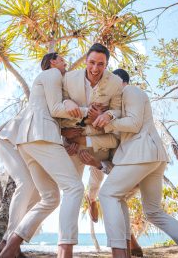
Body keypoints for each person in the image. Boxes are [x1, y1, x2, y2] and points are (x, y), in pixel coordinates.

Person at [97, 68, 178, 258]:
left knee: (107, 194)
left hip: (142, 154)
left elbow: (134, 124)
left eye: (111, 81)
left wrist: (108, 123)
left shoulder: (131, 91)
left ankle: (120, 253)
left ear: (121, 81)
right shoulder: (121, 103)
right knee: (153, 212)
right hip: (151, 156)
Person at [0, 53, 84, 258]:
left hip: (27, 143)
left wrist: (65, 133)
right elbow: (55, 108)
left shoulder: (49, 82)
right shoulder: (52, 73)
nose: (65, 62)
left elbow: (51, 110)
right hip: (39, 137)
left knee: (50, 198)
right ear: (52, 62)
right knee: (74, 187)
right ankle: (65, 251)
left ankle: (8, 249)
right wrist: (88, 111)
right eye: (62, 59)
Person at [61, 43, 123, 222]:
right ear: (86, 60)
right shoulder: (69, 78)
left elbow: (118, 110)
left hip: (98, 141)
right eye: (92, 62)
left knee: (98, 177)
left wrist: (108, 115)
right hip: (72, 143)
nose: (95, 69)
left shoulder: (115, 82)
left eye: (101, 64)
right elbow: (60, 100)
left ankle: (93, 198)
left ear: (107, 64)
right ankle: (67, 239)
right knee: (72, 189)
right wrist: (67, 103)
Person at [0, 111, 40, 258]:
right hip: (7, 142)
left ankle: (9, 243)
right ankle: (9, 242)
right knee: (26, 182)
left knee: (39, 196)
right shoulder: (43, 99)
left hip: (23, 148)